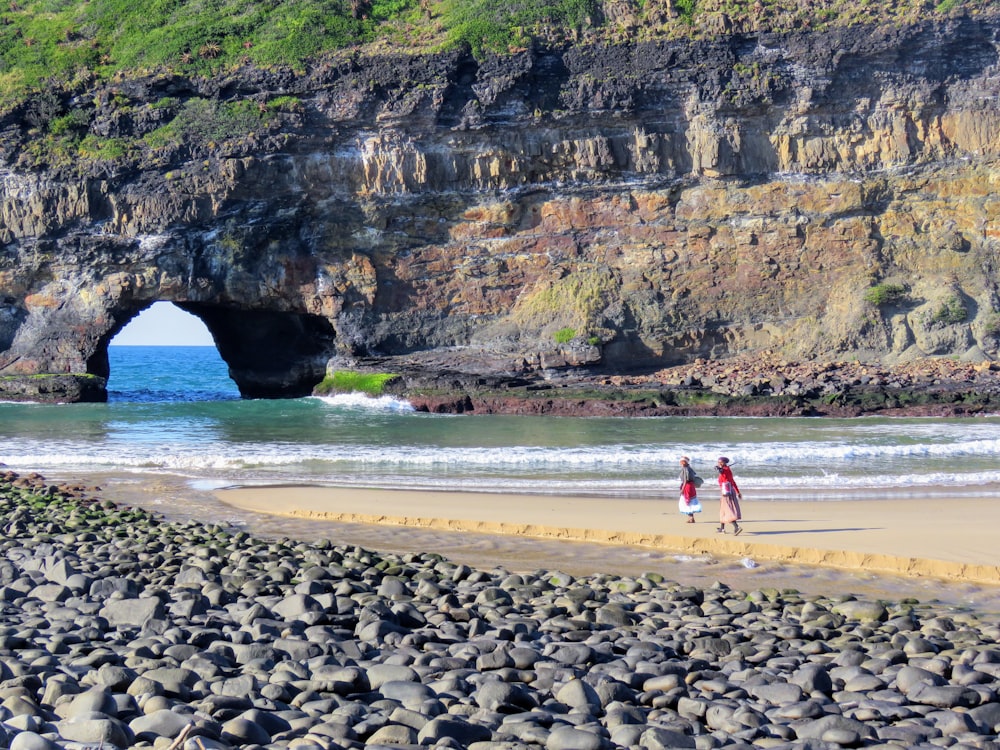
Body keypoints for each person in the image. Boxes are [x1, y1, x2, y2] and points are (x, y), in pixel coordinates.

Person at [715, 456, 742, 535]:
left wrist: (719, 469)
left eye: (720, 462)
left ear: (724, 463)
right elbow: (733, 482)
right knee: (723, 510)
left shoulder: (725, 470)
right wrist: (738, 492)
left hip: (726, 493)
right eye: (718, 462)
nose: (719, 463)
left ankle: (736, 527)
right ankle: (722, 528)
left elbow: (721, 471)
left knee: (727, 510)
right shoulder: (728, 470)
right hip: (729, 491)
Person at [678, 456, 702, 523]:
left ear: (684, 462)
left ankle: (691, 518)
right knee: (690, 501)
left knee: (687, 501)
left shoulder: (685, 469)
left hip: (687, 487)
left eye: (682, 462)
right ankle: (691, 518)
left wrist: (682, 489)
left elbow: (685, 480)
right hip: (691, 486)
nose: (681, 463)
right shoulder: (689, 468)